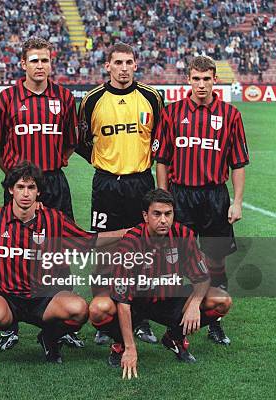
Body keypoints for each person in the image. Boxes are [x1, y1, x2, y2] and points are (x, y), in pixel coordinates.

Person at [0, 162, 124, 367]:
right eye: (20, 187)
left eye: (31, 187)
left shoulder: (54, 219)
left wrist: (127, 233)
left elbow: (89, 241)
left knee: (78, 309)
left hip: (44, 296)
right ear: (10, 189)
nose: (25, 193)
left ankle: (49, 338)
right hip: (6, 296)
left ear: (39, 192)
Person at [0, 37, 80, 350]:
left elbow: (71, 142)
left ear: (51, 63)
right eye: (34, 60)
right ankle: (10, 323)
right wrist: (18, 181)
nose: (40, 66)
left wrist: (53, 168)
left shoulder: (65, 98)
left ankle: (59, 324)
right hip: (20, 187)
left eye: (45, 60)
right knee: (11, 249)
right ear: (22, 64)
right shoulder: (6, 99)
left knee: (61, 250)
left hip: (53, 182)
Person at [153, 55, 249, 345]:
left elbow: (239, 164)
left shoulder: (230, 115)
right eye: (196, 78)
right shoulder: (172, 113)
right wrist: (163, 200)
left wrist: (238, 201)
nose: (202, 84)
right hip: (180, 196)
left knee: (216, 261)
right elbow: (161, 160)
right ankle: (174, 317)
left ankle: (213, 322)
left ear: (215, 80)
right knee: (175, 260)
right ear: (188, 80)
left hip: (215, 197)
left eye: (207, 79)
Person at [89, 189, 232, 379]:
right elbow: (123, 301)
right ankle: (121, 344)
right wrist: (131, 349)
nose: (163, 220)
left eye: (168, 214)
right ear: (145, 216)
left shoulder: (184, 235)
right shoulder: (130, 243)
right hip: (136, 303)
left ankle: (174, 336)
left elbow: (202, 277)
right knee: (99, 309)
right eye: (157, 214)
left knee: (221, 300)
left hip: (167, 298)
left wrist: (195, 305)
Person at [76, 42, 164, 346]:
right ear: (108, 66)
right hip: (106, 185)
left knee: (144, 251)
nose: (123, 68)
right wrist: (104, 162)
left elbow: (159, 139)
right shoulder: (92, 99)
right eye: (118, 62)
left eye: (129, 62)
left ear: (136, 65)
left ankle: (141, 320)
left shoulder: (152, 97)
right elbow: (82, 140)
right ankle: (104, 319)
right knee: (105, 250)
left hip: (141, 183)